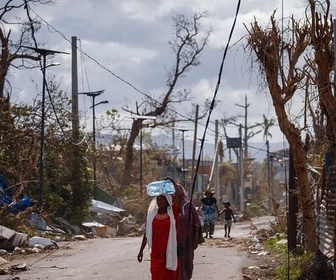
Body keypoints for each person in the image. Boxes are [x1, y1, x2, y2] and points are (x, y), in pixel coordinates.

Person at [137, 179, 182, 280]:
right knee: (156, 274)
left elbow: (179, 195)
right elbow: (147, 234)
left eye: (162, 200)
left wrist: (172, 181)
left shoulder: (173, 212)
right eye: (158, 200)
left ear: (167, 201)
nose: (160, 202)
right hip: (156, 251)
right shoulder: (152, 216)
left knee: (169, 275)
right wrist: (141, 251)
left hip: (170, 249)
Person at [176, 184, 201, 280]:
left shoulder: (189, 205)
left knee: (188, 261)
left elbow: (197, 222)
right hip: (175, 240)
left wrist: (195, 238)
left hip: (188, 240)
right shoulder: (171, 206)